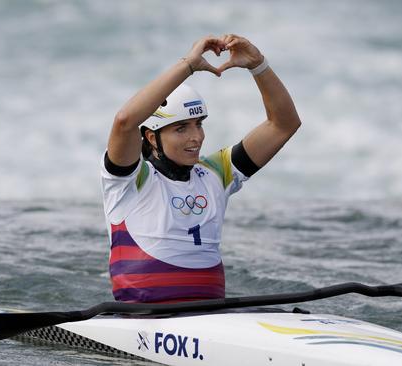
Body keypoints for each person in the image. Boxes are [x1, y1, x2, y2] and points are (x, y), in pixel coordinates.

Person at [101, 34, 301, 303]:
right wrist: (189, 65)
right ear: (151, 137)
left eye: (199, 124)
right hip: (143, 319)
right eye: (181, 128)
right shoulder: (129, 181)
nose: (196, 137)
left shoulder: (216, 174)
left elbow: (284, 124)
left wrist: (259, 65)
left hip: (209, 320)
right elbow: (125, 121)